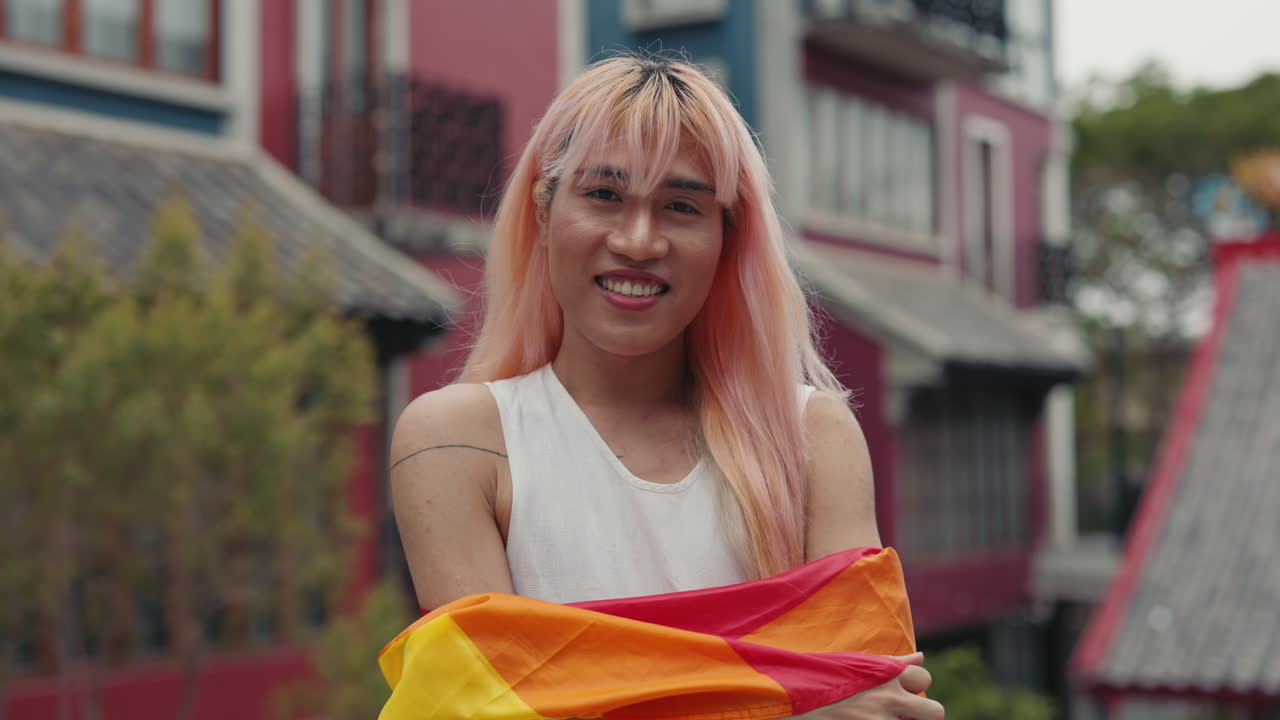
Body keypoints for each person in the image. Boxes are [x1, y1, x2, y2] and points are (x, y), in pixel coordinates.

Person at [389, 54, 943, 720]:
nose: (638, 240)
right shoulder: (454, 443)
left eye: (680, 206)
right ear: (543, 210)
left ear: (726, 237)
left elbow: (882, 705)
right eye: (603, 195)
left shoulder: (813, 436)